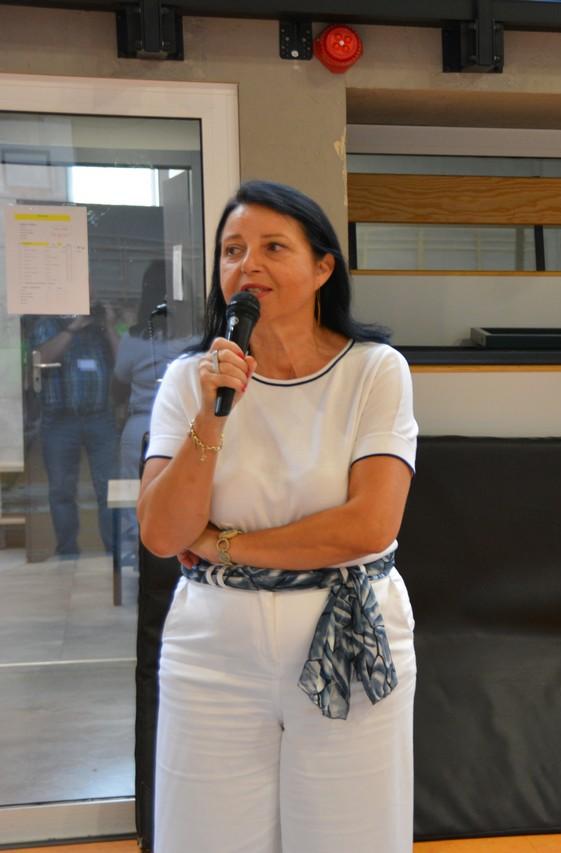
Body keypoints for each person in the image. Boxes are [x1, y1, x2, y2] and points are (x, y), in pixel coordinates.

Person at [137, 180, 418, 853]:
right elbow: (164, 532)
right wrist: (213, 414)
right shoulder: (190, 379)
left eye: (272, 247)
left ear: (323, 268)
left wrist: (223, 544)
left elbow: (368, 525)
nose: (248, 265)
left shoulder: (375, 371)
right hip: (214, 645)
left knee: (351, 838)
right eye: (232, 250)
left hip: (347, 633)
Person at [113, 260, 192, 568]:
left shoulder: (134, 338)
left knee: (132, 494)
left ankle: (134, 555)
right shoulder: (197, 336)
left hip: (141, 424)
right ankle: (175, 557)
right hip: (185, 426)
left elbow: (119, 381)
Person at [30, 300, 120, 558]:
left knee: (109, 488)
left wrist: (109, 326)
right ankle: (67, 552)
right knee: (61, 489)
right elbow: (41, 360)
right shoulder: (47, 324)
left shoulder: (100, 328)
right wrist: (74, 326)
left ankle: (114, 552)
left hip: (100, 417)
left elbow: (123, 364)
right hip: (59, 419)